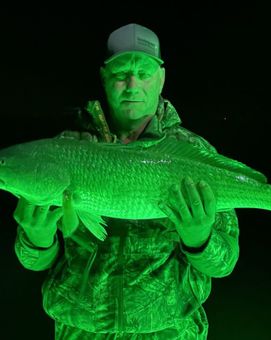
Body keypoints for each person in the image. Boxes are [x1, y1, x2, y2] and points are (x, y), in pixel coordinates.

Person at [13, 23, 240, 339]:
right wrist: (37, 239)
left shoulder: (193, 153)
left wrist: (199, 238)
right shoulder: (65, 149)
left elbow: (224, 263)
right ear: (105, 77)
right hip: (80, 330)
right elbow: (34, 262)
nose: (132, 85)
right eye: (121, 73)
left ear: (161, 78)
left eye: (144, 73)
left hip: (169, 331)